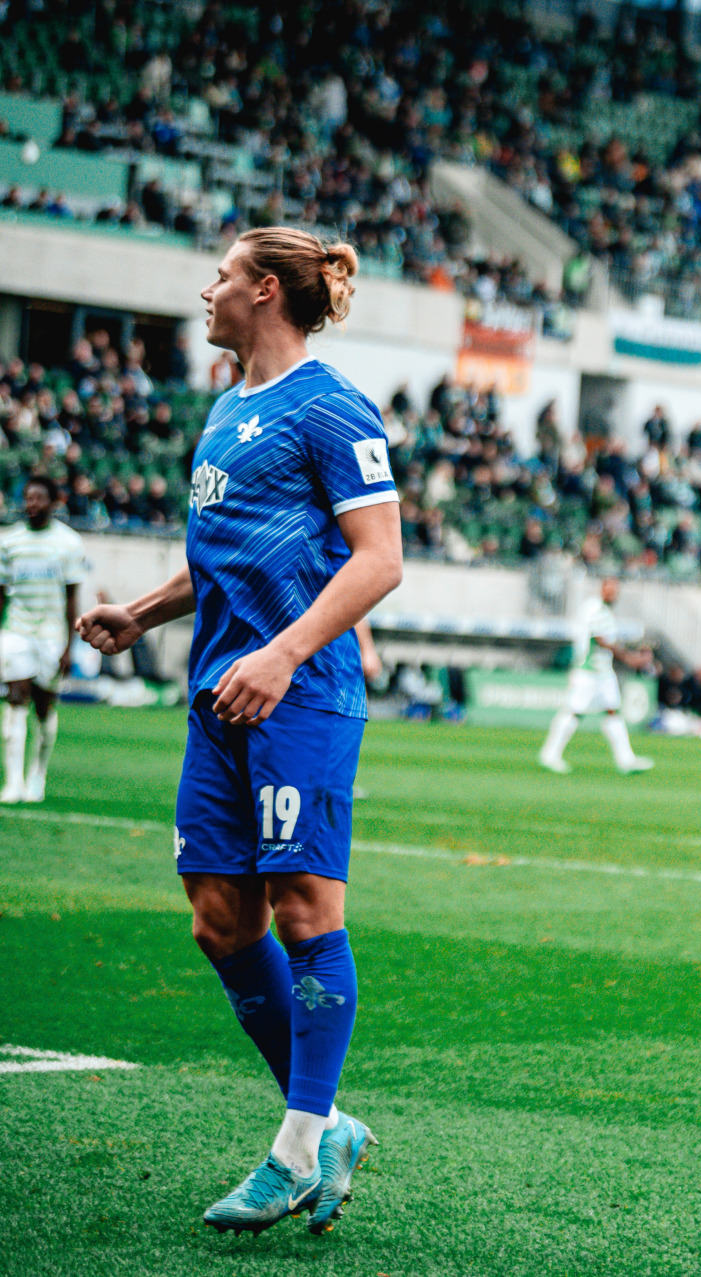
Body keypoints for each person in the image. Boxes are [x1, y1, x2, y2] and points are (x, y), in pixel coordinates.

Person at [74, 227, 401, 1235]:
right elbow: (219, 554)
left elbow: (380, 558)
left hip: (298, 693)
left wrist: (285, 653)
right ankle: (329, 1124)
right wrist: (143, 612)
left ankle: (295, 1145)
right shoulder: (226, 408)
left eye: (220, 275)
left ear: (263, 290)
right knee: (220, 919)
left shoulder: (332, 406)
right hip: (219, 693)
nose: (205, 289)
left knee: (304, 908)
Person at [0, 475, 86, 803]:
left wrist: (69, 645)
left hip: (51, 635)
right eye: (27, 498)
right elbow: (1, 595)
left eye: (38, 498)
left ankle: (38, 774)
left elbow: (72, 598)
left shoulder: (69, 543)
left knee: (44, 707)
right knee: (15, 698)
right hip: (17, 631)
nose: (31, 504)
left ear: (53, 502)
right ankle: (13, 783)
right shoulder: (9, 542)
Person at [539, 576, 655, 774]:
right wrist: (628, 658)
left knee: (612, 712)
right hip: (589, 671)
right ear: (602, 589)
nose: (613, 594)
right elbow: (600, 639)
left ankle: (626, 760)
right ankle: (550, 755)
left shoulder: (604, 610)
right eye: (609, 589)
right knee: (574, 711)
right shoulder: (595, 608)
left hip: (603, 672)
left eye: (615, 590)